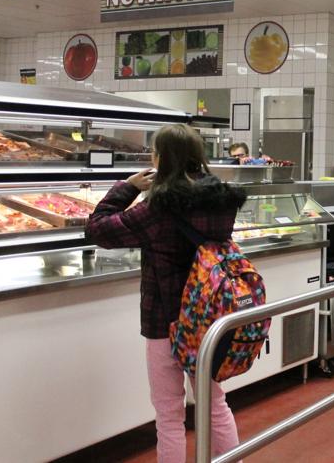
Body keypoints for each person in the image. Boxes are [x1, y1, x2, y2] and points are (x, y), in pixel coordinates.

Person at [86, 124, 247, 462]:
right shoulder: (221, 202)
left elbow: (98, 228)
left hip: (165, 320)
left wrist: (126, 188)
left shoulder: (157, 209)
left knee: (169, 415)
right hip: (209, 317)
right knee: (214, 403)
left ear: (161, 159)